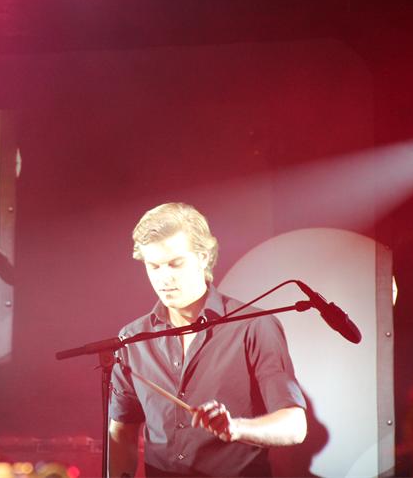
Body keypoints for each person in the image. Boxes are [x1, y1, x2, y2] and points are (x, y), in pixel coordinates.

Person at [108, 203, 307, 477]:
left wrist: (236, 428)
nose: (164, 277)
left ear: (203, 257)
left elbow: (295, 426)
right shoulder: (132, 339)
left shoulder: (253, 326)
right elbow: (122, 432)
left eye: (175, 263)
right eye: (153, 266)